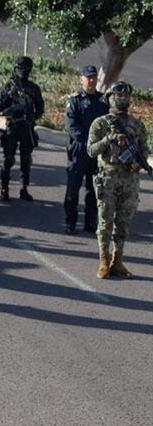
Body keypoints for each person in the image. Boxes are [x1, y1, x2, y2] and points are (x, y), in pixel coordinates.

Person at [87, 81, 149, 278]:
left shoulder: (137, 125)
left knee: (123, 223)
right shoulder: (100, 123)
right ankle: (103, 261)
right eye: (118, 95)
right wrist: (109, 140)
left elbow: (144, 148)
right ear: (110, 98)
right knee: (105, 223)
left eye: (125, 96)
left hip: (129, 180)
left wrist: (139, 163)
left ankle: (117, 260)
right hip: (108, 179)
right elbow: (90, 150)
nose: (122, 98)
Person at [63, 65, 110, 234]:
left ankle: (90, 222)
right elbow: (71, 126)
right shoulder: (74, 100)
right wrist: (89, 141)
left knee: (94, 188)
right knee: (73, 188)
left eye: (93, 77)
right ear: (81, 79)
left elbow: (108, 124)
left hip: (96, 152)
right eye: (88, 77)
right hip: (79, 149)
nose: (91, 80)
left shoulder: (102, 101)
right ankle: (70, 222)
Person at [0, 56, 44, 201]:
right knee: (9, 159)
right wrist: (9, 100)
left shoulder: (33, 88)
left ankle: (24, 188)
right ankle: (4, 188)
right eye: (21, 68)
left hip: (26, 127)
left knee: (26, 159)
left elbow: (40, 108)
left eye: (26, 69)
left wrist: (33, 117)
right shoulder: (9, 86)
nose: (23, 71)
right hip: (12, 126)